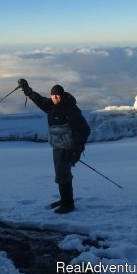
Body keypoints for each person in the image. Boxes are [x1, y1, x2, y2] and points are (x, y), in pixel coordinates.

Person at [18, 79, 90, 214]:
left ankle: (68, 204)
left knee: (63, 173)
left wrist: (77, 150)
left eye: (57, 95)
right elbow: (39, 100)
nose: (55, 98)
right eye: (53, 95)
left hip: (68, 147)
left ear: (62, 95)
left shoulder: (71, 109)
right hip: (57, 145)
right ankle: (64, 200)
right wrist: (28, 90)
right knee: (60, 173)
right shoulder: (51, 105)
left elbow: (84, 129)